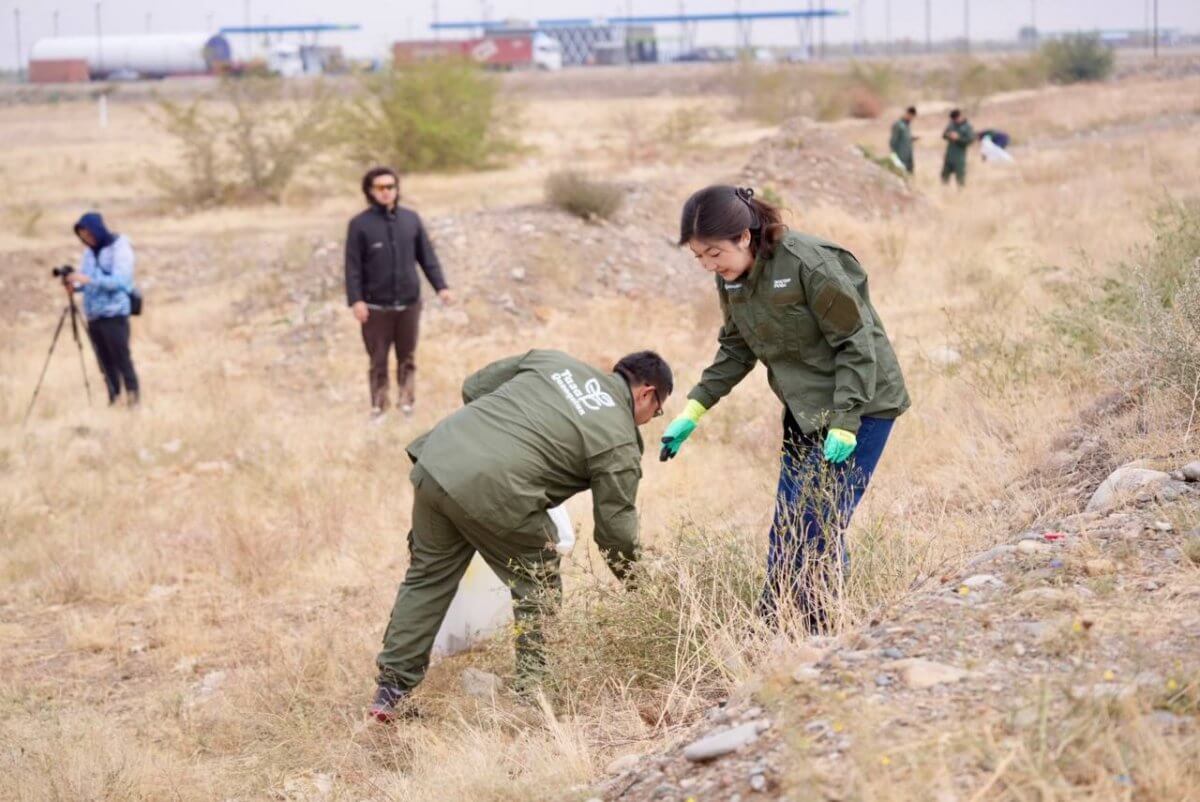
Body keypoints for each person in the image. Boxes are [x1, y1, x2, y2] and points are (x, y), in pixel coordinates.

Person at [370, 348, 673, 722]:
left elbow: (474, 386)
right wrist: (641, 587)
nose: (649, 420)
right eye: (656, 413)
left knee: (428, 576)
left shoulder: (554, 362)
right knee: (539, 581)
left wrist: (502, 434)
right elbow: (615, 534)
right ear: (646, 393)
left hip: (440, 459)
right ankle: (534, 697)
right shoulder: (619, 440)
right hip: (496, 490)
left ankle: (390, 693)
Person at [659, 186, 909, 633]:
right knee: (789, 527)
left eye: (714, 253)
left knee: (817, 525)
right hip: (805, 409)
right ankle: (774, 627)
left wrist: (848, 421)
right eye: (699, 258)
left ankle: (817, 632)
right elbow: (736, 348)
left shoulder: (810, 263)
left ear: (744, 236)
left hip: (862, 405)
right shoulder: (732, 279)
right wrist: (694, 409)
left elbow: (857, 343)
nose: (709, 266)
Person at [344, 166, 452, 419]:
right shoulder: (359, 225)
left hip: (408, 304)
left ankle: (406, 404)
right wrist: (356, 300)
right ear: (370, 191)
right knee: (378, 360)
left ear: (397, 189)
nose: (386, 192)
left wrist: (442, 287)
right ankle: (379, 407)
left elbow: (427, 257)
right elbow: (352, 267)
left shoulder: (411, 220)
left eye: (390, 187)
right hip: (375, 307)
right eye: (380, 187)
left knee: (407, 357)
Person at [67, 212, 140, 406]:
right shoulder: (89, 252)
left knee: (121, 357)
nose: (87, 239)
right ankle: (114, 397)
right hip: (94, 314)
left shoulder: (119, 248)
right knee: (104, 361)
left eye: (89, 235)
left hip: (114, 312)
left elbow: (120, 281)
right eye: (83, 237)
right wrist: (74, 284)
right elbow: (85, 278)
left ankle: (133, 398)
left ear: (98, 230)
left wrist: (88, 280)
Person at [941, 109, 975, 187]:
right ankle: (944, 193)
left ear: (960, 116)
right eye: (953, 119)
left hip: (959, 156)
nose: (955, 121)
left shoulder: (968, 127)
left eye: (956, 119)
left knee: (960, 178)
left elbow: (970, 140)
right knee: (944, 176)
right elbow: (944, 135)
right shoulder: (951, 124)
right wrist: (949, 135)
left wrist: (958, 139)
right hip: (949, 155)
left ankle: (961, 195)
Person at [889, 106, 917, 174]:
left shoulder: (906, 125)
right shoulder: (898, 125)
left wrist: (912, 138)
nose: (912, 119)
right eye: (911, 116)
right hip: (900, 156)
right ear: (908, 114)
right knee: (900, 174)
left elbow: (905, 138)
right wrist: (894, 157)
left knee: (909, 174)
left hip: (908, 156)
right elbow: (893, 142)